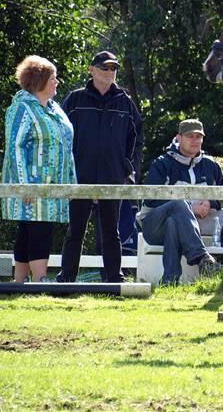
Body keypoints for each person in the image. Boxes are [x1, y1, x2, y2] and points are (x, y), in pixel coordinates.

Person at [56, 51, 143, 283]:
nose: (110, 72)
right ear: (91, 70)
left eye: (113, 68)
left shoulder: (125, 102)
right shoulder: (74, 100)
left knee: (111, 233)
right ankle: (66, 279)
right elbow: (62, 138)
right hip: (79, 176)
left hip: (113, 177)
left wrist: (128, 168)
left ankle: (115, 279)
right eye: (104, 68)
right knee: (75, 230)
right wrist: (66, 170)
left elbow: (136, 139)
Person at [2, 56, 76, 282]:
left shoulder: (54, 108)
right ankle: (40, 280)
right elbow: (15, 147)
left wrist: (71, 183)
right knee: (38, 230)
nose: (57, 82)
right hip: (33, 184)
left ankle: (19, 283)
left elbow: (66, 145)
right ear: (39, 80)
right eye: (53, 78)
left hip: (54, 184)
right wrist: (24, 185)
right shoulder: (22, 108)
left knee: (29, 230)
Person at [137, 119, 223, 284]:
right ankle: (201, 257)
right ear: (178, 138)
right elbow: (151, 201)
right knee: (178, 204)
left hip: (179, 227)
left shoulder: (211, 166)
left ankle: (170, 280)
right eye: (190, 136)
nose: (195, 140)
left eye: (198, 136)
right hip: (153, 226)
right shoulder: (162, 163)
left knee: (173, 222)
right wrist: (190, 207)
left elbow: (221, 197)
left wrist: (209, 203)